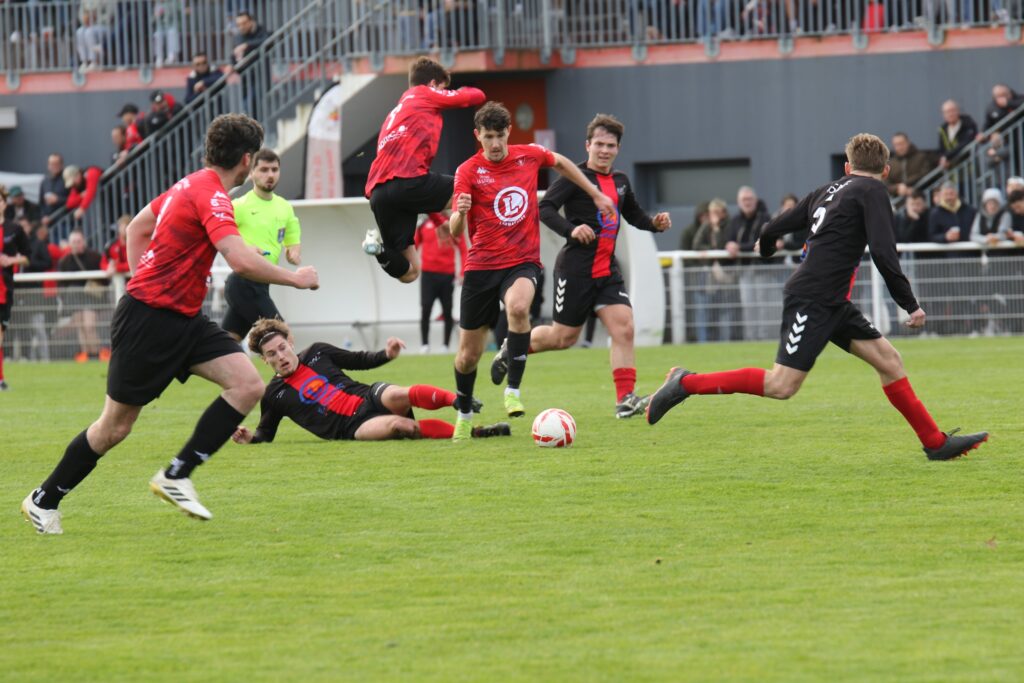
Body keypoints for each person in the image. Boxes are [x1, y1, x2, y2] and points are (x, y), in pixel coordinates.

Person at [21, 114, 320, 535]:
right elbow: (239, 260)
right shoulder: (212, 195)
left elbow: (138, 229)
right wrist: (296, 278)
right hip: (148, 321)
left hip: (184, 318)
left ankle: (176, 475)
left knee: (247, 385)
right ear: (246, 160)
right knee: (114, 428)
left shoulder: (190, 184)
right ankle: (43, 499)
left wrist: (147, 277)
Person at [646, 133, 988, 461]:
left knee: (890, 361)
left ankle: (935, 443)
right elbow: (884, 252)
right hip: (813, 298)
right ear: (886, 170)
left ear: (848, 167)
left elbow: (771, 228)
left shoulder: (826, 191)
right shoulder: (873, 190)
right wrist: (910, 304)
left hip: (832, 300)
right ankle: (686, 383)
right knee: (782, 385)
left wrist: (766, 248)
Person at [448, 102, 616, 437]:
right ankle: (464, 413)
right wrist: (460, 213)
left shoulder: (529, 156)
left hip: (521, 261)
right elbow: (455, 230)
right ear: (478, 136)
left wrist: (595, 193)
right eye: (488, 137)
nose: (495, 143)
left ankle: (513, 391)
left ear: (509, 132)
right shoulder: (467, 170)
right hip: (481, 266)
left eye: (500, 135)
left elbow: (562, 163)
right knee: (468, 356)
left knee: (518, 307)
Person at [491, 114, 672, 419]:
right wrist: (571, 230)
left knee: (624, 328)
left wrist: (655, 223)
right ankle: (515, 345)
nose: (604, 150)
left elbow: (633, 215)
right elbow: (545, 208)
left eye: (610, 145)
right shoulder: (575, 178)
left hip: (607, 271)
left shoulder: (621, 181)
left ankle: (625, 399)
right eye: (599, 144)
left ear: (618, 149)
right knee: (563, 338)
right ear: (588, 145)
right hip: (575, 270)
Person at [231, 319, 509, 445]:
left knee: (399, 394)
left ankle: (459, 400)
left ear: (290, 343)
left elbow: (359, 360)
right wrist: (250, 438)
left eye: (282, 348)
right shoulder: (273, 395)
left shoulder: (317, 352)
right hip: (350, 427)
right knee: (403, 426)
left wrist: (387, 354)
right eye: (272, 354)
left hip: (367, 396)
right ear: (264, 360)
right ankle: (476, 433)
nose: (280, 356)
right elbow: (266, 433)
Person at [361, 57, 486, 283]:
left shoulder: (394, 114)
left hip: (380, 195)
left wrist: (438, 222)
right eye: (442, 88)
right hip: (408, 183)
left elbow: (417, 195)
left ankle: (377, 249)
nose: (443, 94)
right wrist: (454, 91)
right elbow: (477, 95)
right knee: (475, 187)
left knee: (410, 272)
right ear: (433, 84)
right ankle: (486, 252)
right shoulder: (424, 94)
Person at [221, 149, 302, 342]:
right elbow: (217, 236)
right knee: (284, 338)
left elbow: (292, 239)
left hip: (262, 285)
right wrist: (242, 249)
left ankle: (196, 356)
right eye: (264, 170)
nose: (270, 175)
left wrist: (293, 252)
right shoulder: (239, 205)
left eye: (274, 169)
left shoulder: (284, 207)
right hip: (244, 282)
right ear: (251, 172)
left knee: (227, 343)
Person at [415, 211, 466, 353]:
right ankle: (424, 345)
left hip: (447, 275)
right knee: (426, 308)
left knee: (447, 311)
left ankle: (445, 346)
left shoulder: (451, 224)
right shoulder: (423, 224)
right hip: (428, 275)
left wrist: (463, 272)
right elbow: (414, 246)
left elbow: (463, 249)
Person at [56, 229, 107, 363]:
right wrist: (64, 299)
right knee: (81, 327)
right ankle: (86, 355)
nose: (76, 244)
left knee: (89, 326)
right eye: (73, 242)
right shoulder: (64, 261)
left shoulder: (95, 257)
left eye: (78, 241)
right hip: (74, 297)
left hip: (91, 297)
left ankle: (96, 354)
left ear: (83, 242)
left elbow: (105, 278)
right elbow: (61, 284)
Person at [1, 188, 31, 391]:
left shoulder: (14, 229)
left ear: (4, 204)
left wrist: (11, 260)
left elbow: (27, 257)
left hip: (4, 288)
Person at [887, 132, 932, 197]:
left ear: (908, 142)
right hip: (897, 200)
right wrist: (897, 188)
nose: (899, 147)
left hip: (920, 196)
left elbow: (926, 175)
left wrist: (905, 185)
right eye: (896, 145)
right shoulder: (891, 163)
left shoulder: (921, 157)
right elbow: (885, 183)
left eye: (901, 143)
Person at [937, 100, 978, 169]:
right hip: (951, 170)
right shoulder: (942, 129)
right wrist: (943, 159)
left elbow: (965, 143)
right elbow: (941, 150)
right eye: (947, 112)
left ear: (958, 111)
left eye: (952, 111)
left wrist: (947, 156)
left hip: (968, 168)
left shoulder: (968, 124)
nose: (950, 114)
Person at [40, 153, 69, 225]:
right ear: (48, 166)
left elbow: (74, 199)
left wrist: (58, 200)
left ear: (62, 165)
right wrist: (43, 216)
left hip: (66, 221)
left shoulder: (68, 178)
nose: (54, 166)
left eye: (56, 164)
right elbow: (41, 203)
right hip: (50, 223)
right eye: (52, 164)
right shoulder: (45, 181)